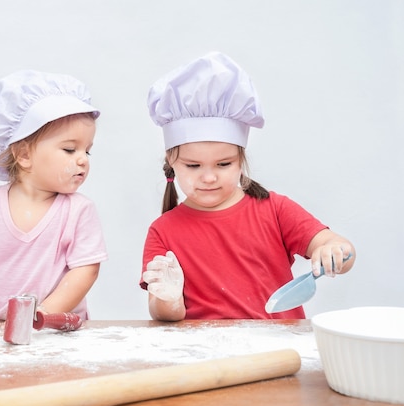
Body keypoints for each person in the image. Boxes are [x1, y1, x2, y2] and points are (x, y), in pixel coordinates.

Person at [140, 52, 356, 321]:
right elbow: (161, 313)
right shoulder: (163, 231)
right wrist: (168, 299)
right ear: (172, 162)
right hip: (207, 356)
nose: (209, 177)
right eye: (193, 166)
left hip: (278, 350)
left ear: (241, 160)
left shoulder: (275, 210)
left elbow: (341, 251)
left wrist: (334, 250)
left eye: (223, 164)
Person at [0, 69, 108, 326]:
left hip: (55, 330)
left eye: (88, 150)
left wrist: (41, 315)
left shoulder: (79, 210)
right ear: (24, 155)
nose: (83, 159)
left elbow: (86, 270)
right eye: (69, 149)